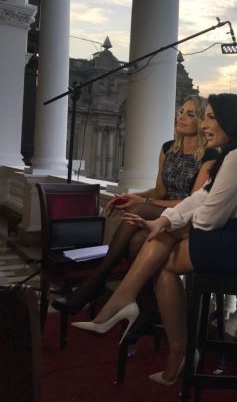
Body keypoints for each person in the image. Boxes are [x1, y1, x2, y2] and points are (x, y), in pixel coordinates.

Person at [72, 93, 237, 386]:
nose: (204, 124)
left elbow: (209, 218)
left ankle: (134, 312)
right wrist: (165, 220)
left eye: (210, 117)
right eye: (204, 116)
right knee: (165, 259)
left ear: (230, 121)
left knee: (166, 254)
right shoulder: (234, 154)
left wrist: (168, 227)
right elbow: (201, 197)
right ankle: (148, 324)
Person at [54, 95, 217, 339]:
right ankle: (148, 307)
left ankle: (97, 280)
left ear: (202, 121)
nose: (181, 117)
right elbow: (159, 191)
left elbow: (190, 202)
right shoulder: (168, 148)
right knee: (137, 241)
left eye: (190, 114)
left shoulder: (210, 156)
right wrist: (134, 197)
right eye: (181, 111)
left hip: (184, 217)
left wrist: (143, 203)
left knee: (139, 211)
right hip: (160, 213)